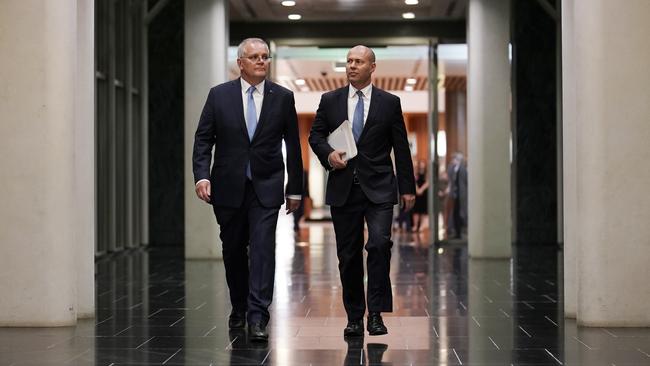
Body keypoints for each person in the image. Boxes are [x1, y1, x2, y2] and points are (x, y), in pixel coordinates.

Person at [192, 38, 303, 342]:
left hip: (266, 187)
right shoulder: (219, 96)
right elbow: (203, 139)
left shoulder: (282, 97)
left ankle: (258, 316)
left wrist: (295, 189)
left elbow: (293, 146)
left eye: (265, 57)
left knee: (264, 248)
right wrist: (201, 176)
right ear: (240, 63)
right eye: (254, 57)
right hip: (228, 187)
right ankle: (239, 306)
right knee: (233, 251)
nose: (260, 61)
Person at [309, 45, 416, 337]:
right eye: (349, 61)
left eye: (359, 61)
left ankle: (376, 314)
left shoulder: (389, 103)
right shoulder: (329, 100)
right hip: (343, 188)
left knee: (379, 245)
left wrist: (408, 188)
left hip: (380, 188)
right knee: (349, 255)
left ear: (372, 67)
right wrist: (328, 154)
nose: (352, 66)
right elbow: (315, 135)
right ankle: (355, 316)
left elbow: (401, 148)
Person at [447, 152, 467, 239]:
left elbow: (465, 180)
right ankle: (455, 230)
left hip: (461, 194)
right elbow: (449, 174)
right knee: (455, 212)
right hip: (454, 194)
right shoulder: (453, 168)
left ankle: (460, 230)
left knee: (461, 212)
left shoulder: (462, 169)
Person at [411, 160, 429, 232]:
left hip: (424, 193)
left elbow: (428, 182)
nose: (422, 166)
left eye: (423, 164)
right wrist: (417, 189)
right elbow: (413, 180)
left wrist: (422, 189)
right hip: (417, 192)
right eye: (420, 165)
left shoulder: (427, 174)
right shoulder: (416, 173)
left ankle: (421, 226)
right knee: (416, 210)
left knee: (423, 210)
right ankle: (415, 225)